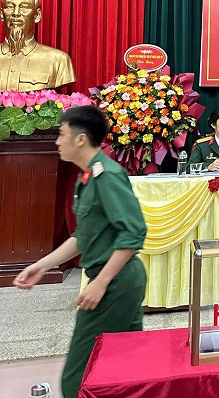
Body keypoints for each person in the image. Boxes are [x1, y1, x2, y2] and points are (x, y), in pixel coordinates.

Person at [13, 105, 146, 398]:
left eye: (62, 134)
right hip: (117, 280)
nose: (57, 141)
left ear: (81, 139)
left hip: (116, 282)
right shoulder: (87, 177)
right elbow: (83, 237)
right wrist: (41, 266)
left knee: (79, 374)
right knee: (128, 367)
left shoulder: (107, 175)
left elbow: (133, 233)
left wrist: (100, 283)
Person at [0, 0, 75, 92]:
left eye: (24, 7)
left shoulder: (58, 60)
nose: (16, 13)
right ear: (1, 14)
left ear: (37, 15)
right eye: (9, 7)